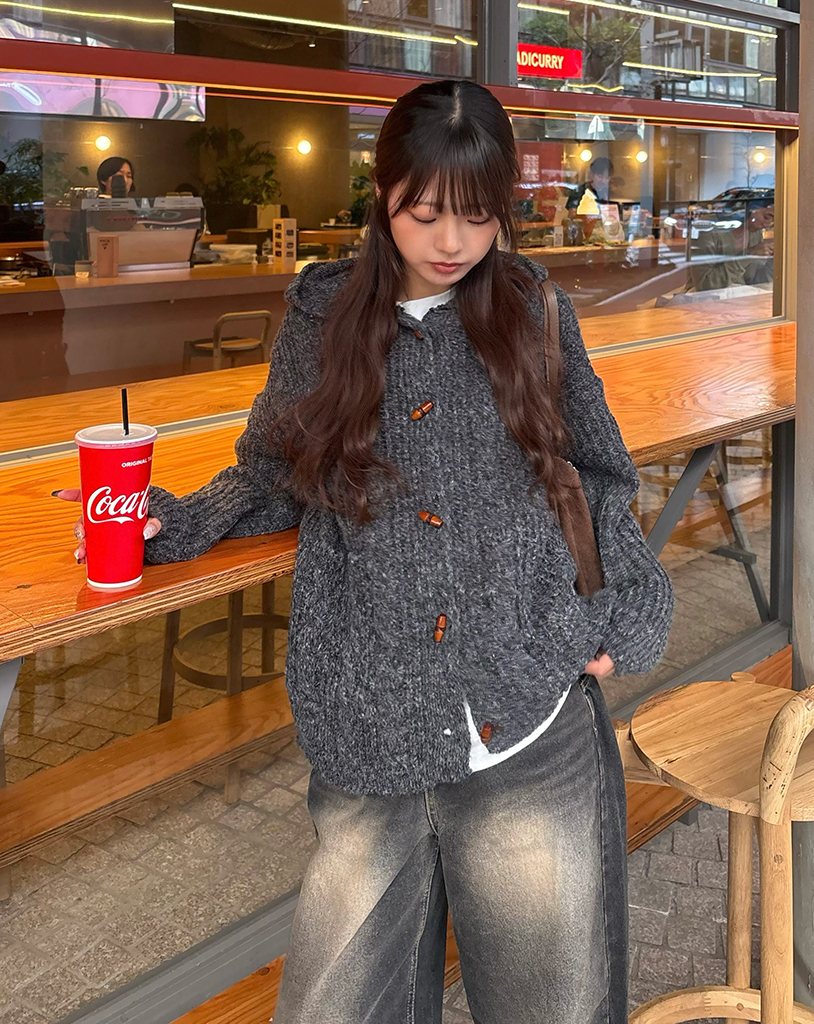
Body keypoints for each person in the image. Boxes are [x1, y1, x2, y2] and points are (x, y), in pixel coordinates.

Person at [59, 80, 673, 1023]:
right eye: (425, 213)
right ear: (382, 195)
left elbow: (595, 470)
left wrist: (626, 606)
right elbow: (274, 469)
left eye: (477, 215)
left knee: (549, 1007)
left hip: (527, 711)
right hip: (370, 719)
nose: (451, 240)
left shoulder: (534, 310)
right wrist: (171, 522)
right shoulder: (327, 316)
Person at [687, 198, 775, 293]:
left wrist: (773, 261)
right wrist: (749, 255)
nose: (767, 224)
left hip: (742, 298)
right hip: (706, 299)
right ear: (749, 208)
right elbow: (705, 285)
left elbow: (756, 283)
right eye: (766, 217)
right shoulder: (707, 227)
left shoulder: (754, 232)